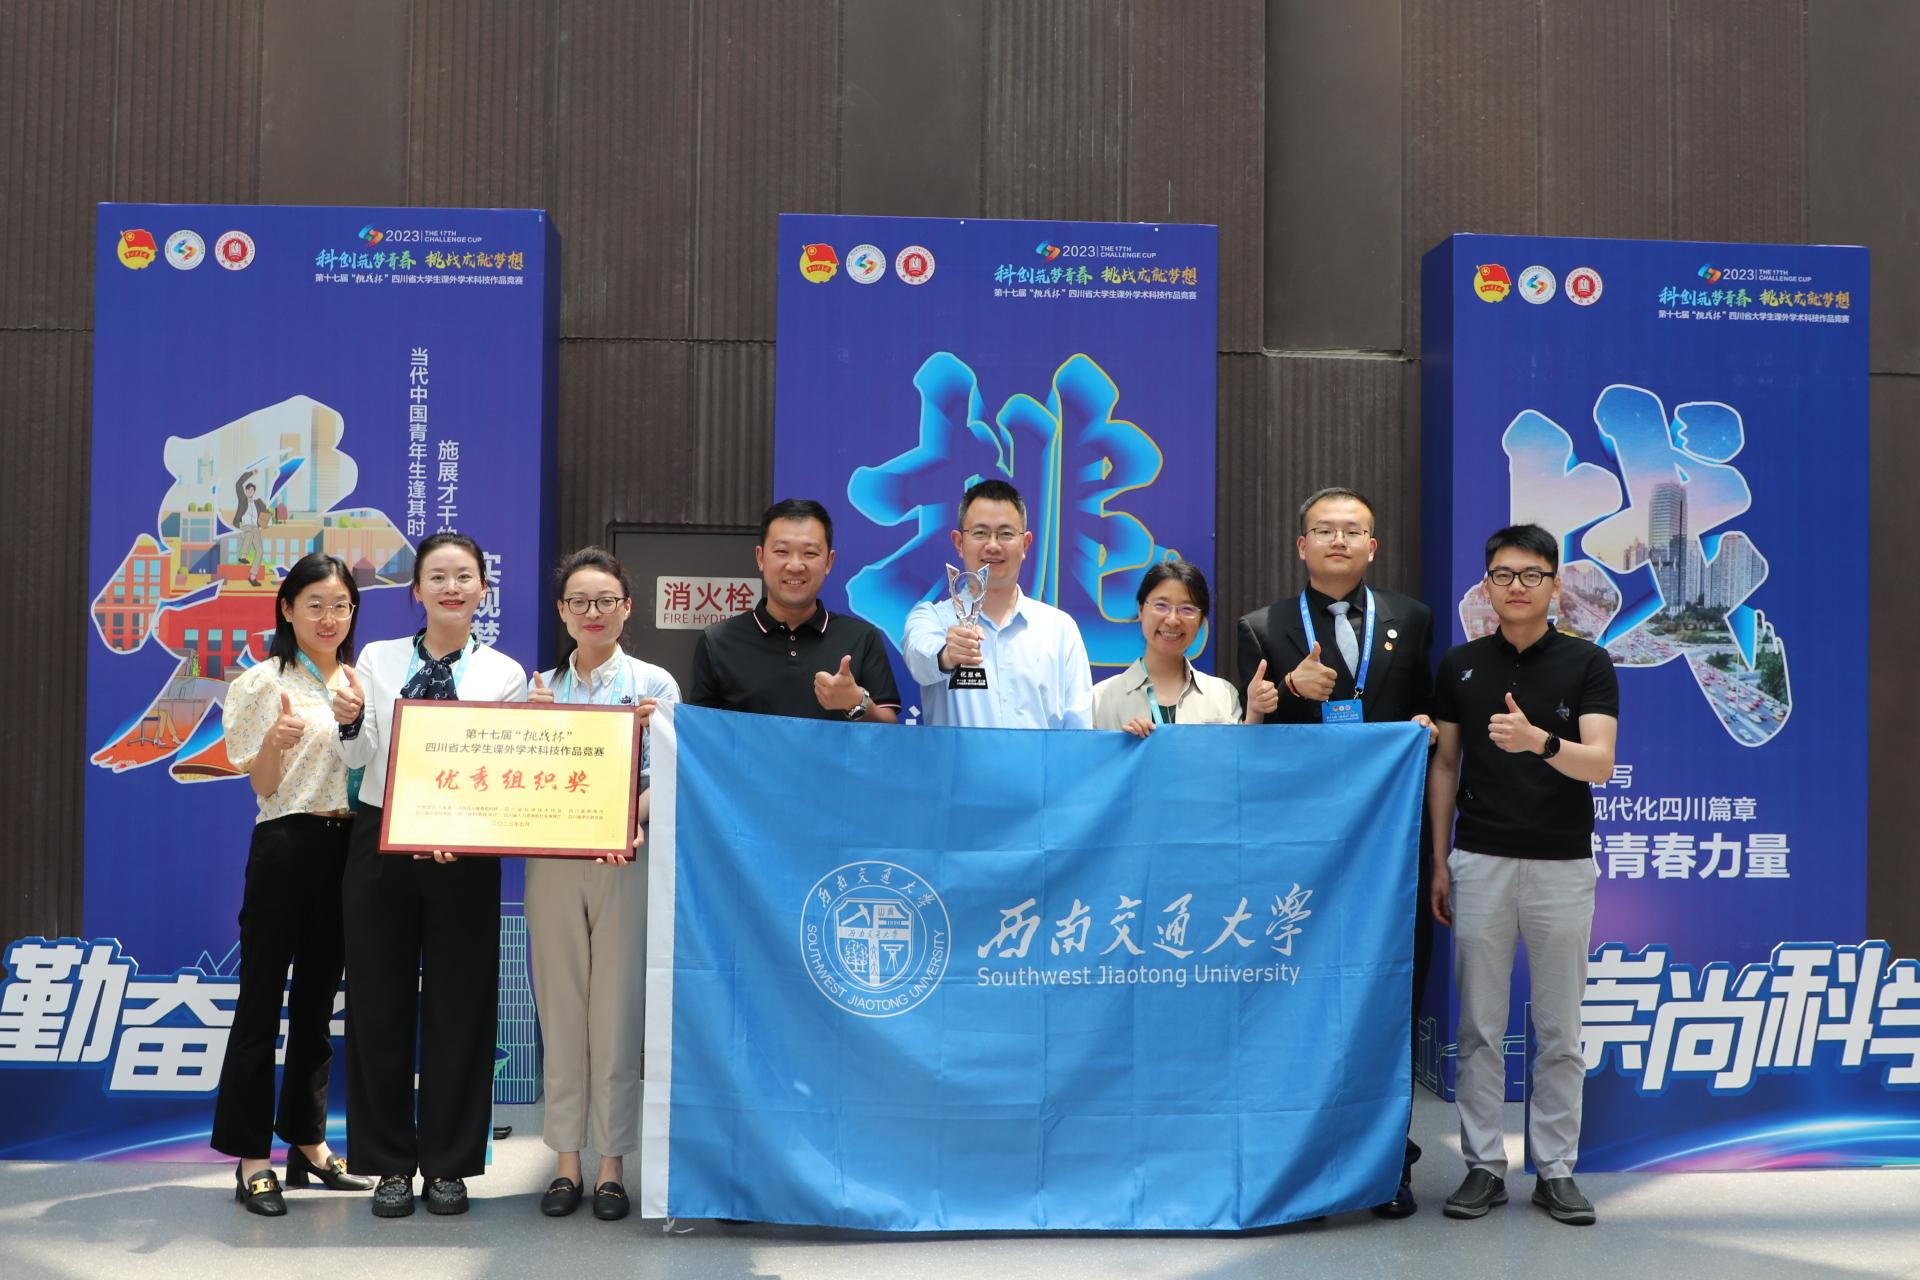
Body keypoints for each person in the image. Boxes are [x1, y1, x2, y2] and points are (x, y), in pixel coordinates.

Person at [1234, 485, 1435, 1216]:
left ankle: (1388, 1162)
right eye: (1325, 530)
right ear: (1302, 546)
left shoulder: (1412, 620)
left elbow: (1425, 711)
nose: (1339, 541)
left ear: (1372, 546)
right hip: (1304, 849)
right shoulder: (1263, 627)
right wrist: (1290, 690)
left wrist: (1424, 723)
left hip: (1390, 845)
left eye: (1353, 531)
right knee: (1305, 998)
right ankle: (1308, 1167)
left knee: (1389, 996)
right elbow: (1249, 741)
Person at [1429, 523, 1618, 1226]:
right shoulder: (1460, 665)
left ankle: (1557, 1169)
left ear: (1555, 585)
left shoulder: (1587, 662)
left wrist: (1538, 741)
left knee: (1559, 1029)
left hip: (1562, 863)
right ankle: (1483, 1165)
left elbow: (1599, 763)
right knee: (1479, 1027)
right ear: (1486, 584)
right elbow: (1445, 765)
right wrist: (1439, 860)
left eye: (1532, 575)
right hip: (1479, 859)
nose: (1517, 586)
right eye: (1504, 575)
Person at [338, 532, 530, 1218]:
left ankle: (449, 1165)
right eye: (438, 577)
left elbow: (505, 774)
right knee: (378, 1003)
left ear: (483, 589)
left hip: (465, 851)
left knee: (461, 1006)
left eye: (464, 576)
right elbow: (358, 755)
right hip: (381, 838)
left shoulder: (505, 675)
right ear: (416, 590)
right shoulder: (377, 658)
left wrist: (466, 828)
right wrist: (349, 720)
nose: (452, 588)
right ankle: (388, 1164)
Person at [211, 553, 376, 1214]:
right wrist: (275, 742)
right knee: (260, 1002)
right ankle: (252, 1158)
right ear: (286, 609)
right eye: (315, 605)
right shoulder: (262, 681)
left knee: (317, 1005)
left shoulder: (363, 682)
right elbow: (262, 784)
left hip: (351, 849)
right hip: (286, 843)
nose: (329, 618)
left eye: (341, 606)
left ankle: (308, 1142)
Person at [523, 547, 678, 1222]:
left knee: (617, 1011)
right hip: (553, 860)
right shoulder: (538, 689)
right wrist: (527, 726)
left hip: (627, 857)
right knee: (561, 1008)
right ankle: (566, 1162)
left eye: (606, 600)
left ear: (627, 608)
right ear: (562, 611)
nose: (593, 612)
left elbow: (670, 772)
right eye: (580, 601)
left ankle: (613, 1165)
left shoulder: (655, 685)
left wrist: (629, 821)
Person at [689, 499, 901, 722]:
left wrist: (855, 702)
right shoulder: (718, 640)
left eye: (809, 553)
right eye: (782, 551)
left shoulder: (861, 638)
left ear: (829, 562)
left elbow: (889, 729)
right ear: (760, 558)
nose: (795, 566)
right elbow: (699, 731)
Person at [902, 479, 1092, 729]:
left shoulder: (1060, 629)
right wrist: (946, 655)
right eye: (980, 533)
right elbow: (919, 659)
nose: (993, 545)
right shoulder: (932, 619)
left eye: (1005, 534)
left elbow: (1078, 730)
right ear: (959, 543)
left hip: (1038, 758)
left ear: (1025, 544)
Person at [1092, 560, 1271, 733]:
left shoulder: (1222, 695)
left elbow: (1236, 752)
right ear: (1141, 611)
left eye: (1187, 609)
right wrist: (1124, 746)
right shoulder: (1100, 699)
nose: (1172, 620)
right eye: (1161, 606)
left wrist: (1254, 713)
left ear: (1201, 621)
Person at [233, 468, 273, 586]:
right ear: (245, 491)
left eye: (252, 490)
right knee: (249, 534)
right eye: (248, 489)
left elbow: (266, 513)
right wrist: (251, 473)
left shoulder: (258, 502)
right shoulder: (242, 500)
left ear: (254, 492)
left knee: (260, 551)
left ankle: (252, 577)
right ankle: (243, 556)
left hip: (255, 527)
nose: (250, 491)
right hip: (245, 526)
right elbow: (238, 483)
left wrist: (262, 526)